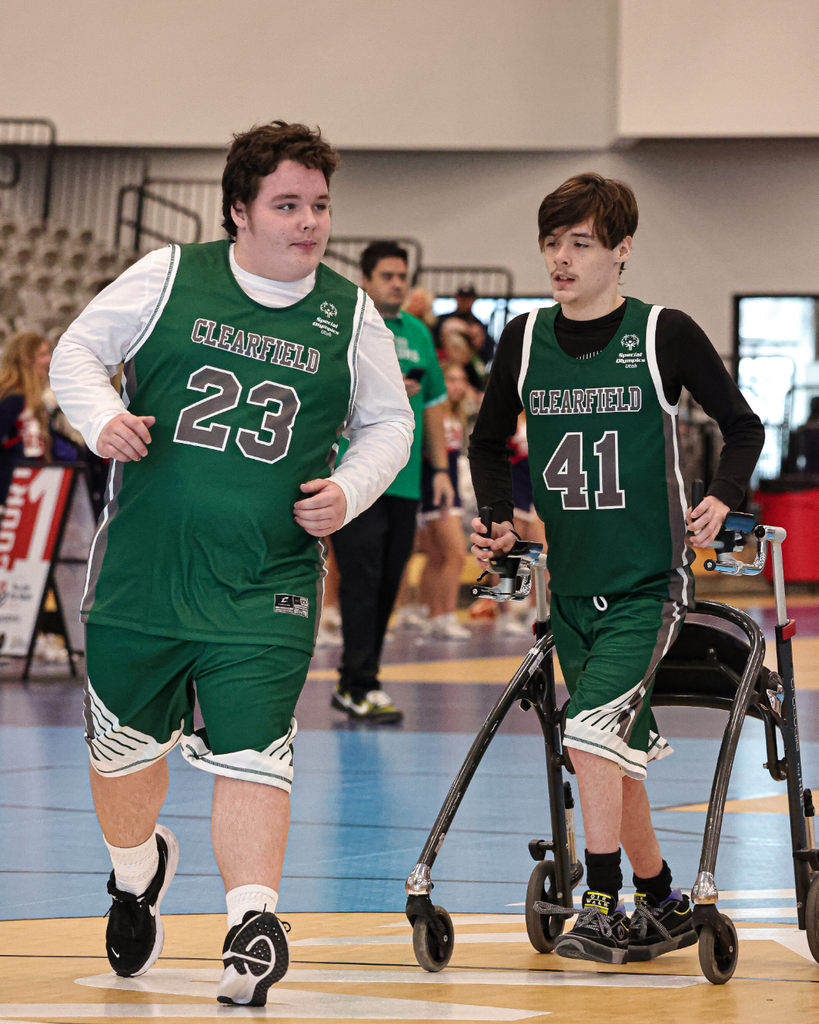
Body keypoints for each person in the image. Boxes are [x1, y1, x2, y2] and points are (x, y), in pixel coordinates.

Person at [49, 121, 413, 1007]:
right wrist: (101, 419)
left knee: (255, 753)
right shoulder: (170, 275)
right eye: (287, 205)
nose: (309, 222)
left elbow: (388, 424)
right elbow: (76, 353)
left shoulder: (348, 313)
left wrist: (350, 489)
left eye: (319, 204)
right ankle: (135, 876)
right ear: (239, 211)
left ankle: (253, 922)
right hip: (144, 571)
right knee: (122, 754)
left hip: (268, 578)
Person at [468, 172, 764, 965]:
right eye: (550, 243)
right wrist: (497, 517)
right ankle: (661, 899)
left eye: (579, 244)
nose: (560, 260)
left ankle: (600, 901)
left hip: (646, 585)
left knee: (589, 731)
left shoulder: (662, 332)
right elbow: (486, 442)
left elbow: (742, 426)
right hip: (569, 589)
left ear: (621, 249)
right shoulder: (524, 339)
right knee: (613, 750)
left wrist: (722, 497)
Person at [331, 241, 454, 722]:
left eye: (402, 276)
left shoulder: (418, 332)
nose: (397, 284)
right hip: (355, 478)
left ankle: (358, 680)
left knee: (387, 583)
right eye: (387, 276)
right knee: (361, 578)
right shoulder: (345, 324)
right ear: (365, 280)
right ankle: (360, 682)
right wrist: (382, 390)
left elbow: (435, 403)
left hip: (405, 482)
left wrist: (440, 469)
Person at [416, 362, 470, 639]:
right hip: (435, 489)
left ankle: (433, 614)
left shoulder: (457, 414)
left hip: (448, 488)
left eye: (461, 379)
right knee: (456, 555)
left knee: (437, 557)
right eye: (451, 379)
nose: (457, 385)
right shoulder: (432, 411)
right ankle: (445, 615)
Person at [0, 331, 54, 506]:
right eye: (42, 355)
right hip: (11, 491)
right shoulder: (13, 400)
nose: (49, 359)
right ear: (26, 360)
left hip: (30, 485)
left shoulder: (33, 400)